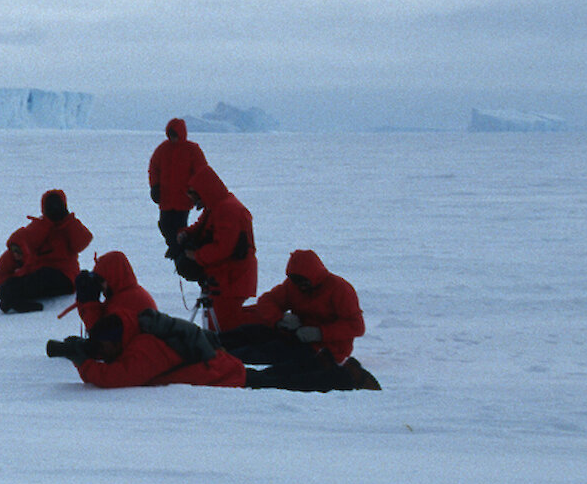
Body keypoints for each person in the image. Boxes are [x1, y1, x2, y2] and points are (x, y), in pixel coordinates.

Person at [45, 251, 248, 388]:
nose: (101, 287)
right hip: (214, 366)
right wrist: (86, 301)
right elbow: (104, 335)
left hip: (224, 374)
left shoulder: (132, 305)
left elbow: (116, 366)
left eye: (102, 280)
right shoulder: (121, 301)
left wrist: (84, 360)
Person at [225, 250, 381, 391]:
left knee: (260, 353)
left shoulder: (340, 289)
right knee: (248, 333)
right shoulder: (293, 286)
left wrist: (320, 333)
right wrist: (279, 320)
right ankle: (212, 346)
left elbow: (356, 326)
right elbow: (267, 301)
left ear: (314, 276)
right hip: (296, 336)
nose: (301, 287)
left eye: (303, 282)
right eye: (296, 282)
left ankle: (224, 365)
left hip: (326, 349)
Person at [171, 166, 261, 332]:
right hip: (222, 278)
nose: (193, 201)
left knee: (225, 329)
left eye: (194, 196)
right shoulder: (216, 207)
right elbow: (201, 228)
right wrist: (184, 235)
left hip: (232, 279)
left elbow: (223, 249)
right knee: (221, 326)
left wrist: (196, 256)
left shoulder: (228, 210)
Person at [0, 190, 94, 314]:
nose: (54, 211)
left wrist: (68, 220)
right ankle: (12, 299)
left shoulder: (69, 227)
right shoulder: (39, 226)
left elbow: (82, 242)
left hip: (64, 277)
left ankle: (12, 299)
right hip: (39, 273)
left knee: (41, 278)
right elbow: (27, 241)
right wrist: (46, 223)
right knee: (6, 288)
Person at [148, 118, 208, 252]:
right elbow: (154, 168)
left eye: (175, 135)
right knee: (164, 225)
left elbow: (201, 172)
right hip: (166, 197)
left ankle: (179, 251)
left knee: (180, 227)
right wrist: (155, 186)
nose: (173, 138)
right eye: (171, 135)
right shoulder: (163, 149)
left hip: (183, 198)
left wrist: (200, 193)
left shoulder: (192, 150)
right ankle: (176, 248)